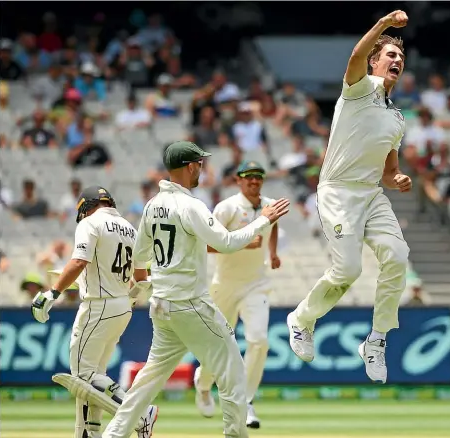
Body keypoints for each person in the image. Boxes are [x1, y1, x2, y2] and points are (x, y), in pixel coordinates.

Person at [102, 141, 290, 438]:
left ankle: (114, 434)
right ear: (190, 167)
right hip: (190, 303)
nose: (202, 168)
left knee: (150, 377)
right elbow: (226, 243)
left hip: (162, 305)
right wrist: (263, 219)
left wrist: (143, 284)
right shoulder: (191, 206)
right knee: (233, 371)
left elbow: (140, 255)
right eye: (200, 164)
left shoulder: (153, 204)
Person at [286, 10, 412, 385]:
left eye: (401, 59)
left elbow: (389, 172)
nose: (397, 62)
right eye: (391, 55)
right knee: (348, 271)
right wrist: (384, 26)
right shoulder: (359, 89)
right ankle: (302, 320)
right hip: (338, 193)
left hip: (371, 196)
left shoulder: (397, 118)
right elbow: (354, 57)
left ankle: (376, 340)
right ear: (375, 61)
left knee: (398, 256)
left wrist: (398, 178)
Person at [30, 186, 158, 438]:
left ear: (86, 208)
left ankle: (140, 414)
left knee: (82, 377)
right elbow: (142, 278)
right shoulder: (132, 229)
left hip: (98, 305)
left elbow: (79, 261)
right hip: (121, 306)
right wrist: (126, 298)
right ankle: (88, 434)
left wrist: (51, 294)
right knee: (93, 379)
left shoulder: (90, 223)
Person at [194, 161, 281, 429]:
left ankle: (245, 400)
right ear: (238, 180)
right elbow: (206, 244)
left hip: (257, 284)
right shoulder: (227, 208)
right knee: (219, 344)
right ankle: (204, 384)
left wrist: (273, 252)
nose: (254, 181)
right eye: (248, 177)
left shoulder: (270, 204)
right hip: (226, 285)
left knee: (259, 341)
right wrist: (243, 244)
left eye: (258, 176)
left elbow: (272, 226)